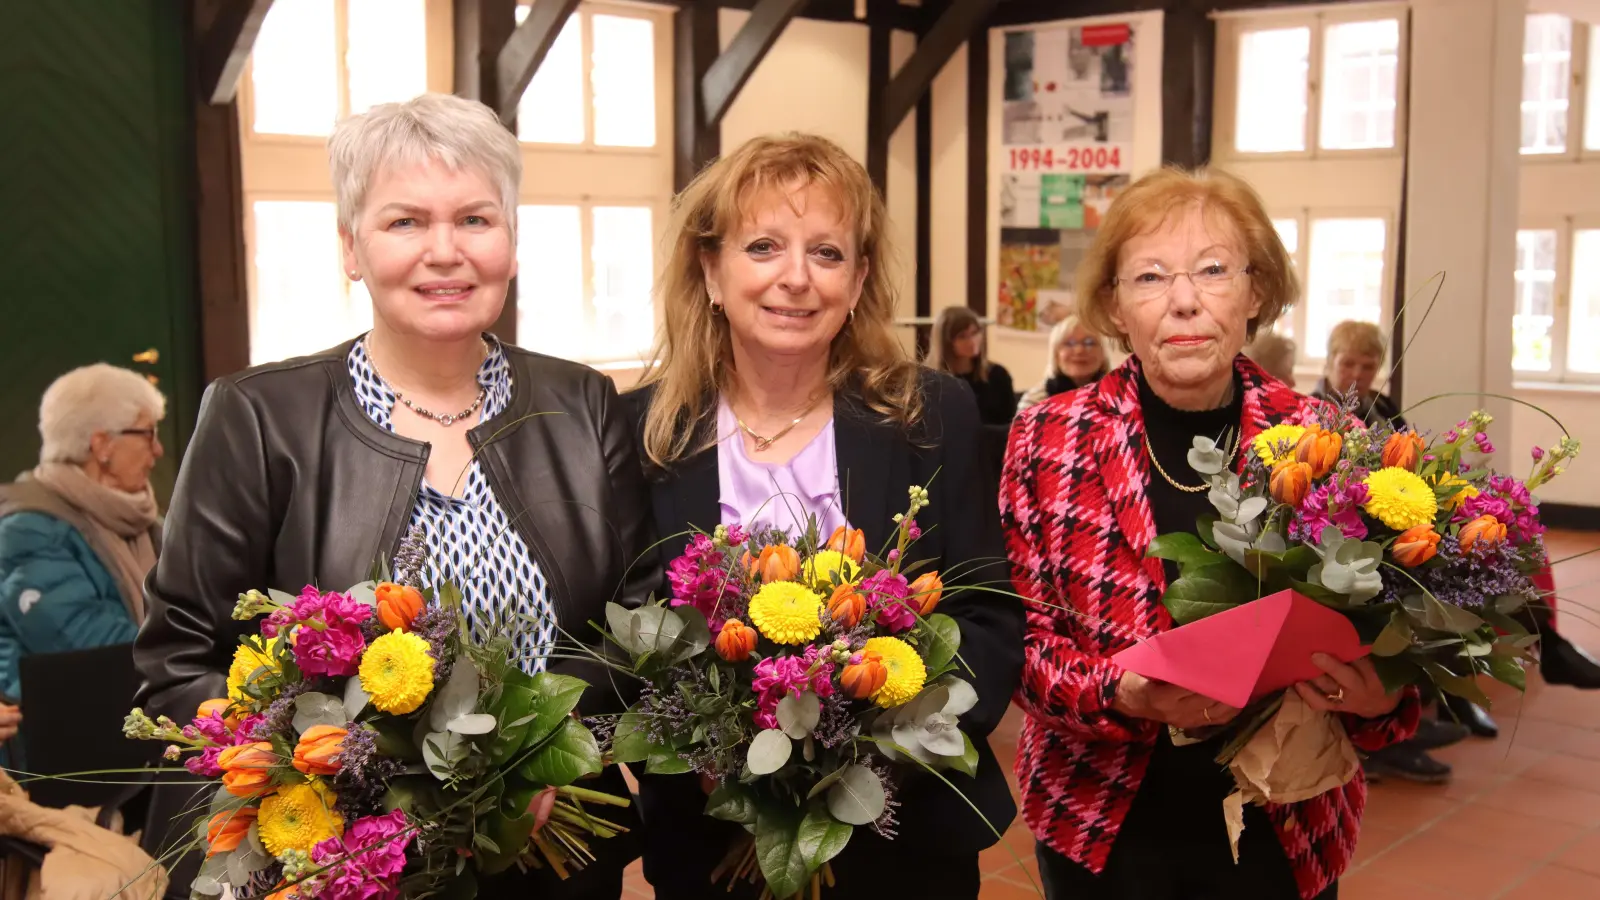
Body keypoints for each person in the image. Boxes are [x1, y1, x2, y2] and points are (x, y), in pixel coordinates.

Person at [133, 94, 656, 900]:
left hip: (552, 859)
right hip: (340, 869)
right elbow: (179, 662)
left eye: (476, 220)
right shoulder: (260, 416)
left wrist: (525, 756)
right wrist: (353, 777)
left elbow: (637, 623)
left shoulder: (584, 404)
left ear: (511, 242)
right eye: (405, 222)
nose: (444, 253)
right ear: (351, 247)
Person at [1002, 167, 1421, 900]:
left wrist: (1381, 697)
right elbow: (1022, 648)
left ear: (1256, 294)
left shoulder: (1328, 439)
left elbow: (1395, 645)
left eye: (1214, 270)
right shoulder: (1049, 436)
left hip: (1286, 822)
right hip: (1099, 820)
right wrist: (1120, 692)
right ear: (1113, 305)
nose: (1186, 299)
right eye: (1152, 276)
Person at [625, 133, 1025, 899]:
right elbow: (630, 632)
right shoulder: (643, 432)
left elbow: (987, 615)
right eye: (765, 246)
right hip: (713, 843)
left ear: (860, 276)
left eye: (828, 253)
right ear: (711, 271)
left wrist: (862, 752)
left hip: (902, 834)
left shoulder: (930, 413)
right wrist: (719, 754)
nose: (796, 280)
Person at [1315, 321, 1600, 697]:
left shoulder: (1380, 404)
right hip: (1365, 523)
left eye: (1368, 366)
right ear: (1328, 361)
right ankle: (1457, 680)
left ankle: (1545, 642)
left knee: (1510, 530)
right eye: (1348, 363)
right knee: (1467, 557)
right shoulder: (1318, 412)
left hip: (1407, 504)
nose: (1357, 374)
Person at [0, 364, 166, 767]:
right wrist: (193, 655)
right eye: (147, 433)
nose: (157, 451)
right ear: (101, 444)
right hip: (57, 751)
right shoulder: (29, 527)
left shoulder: (147, 523)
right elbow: (89, 641)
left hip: (127, 723)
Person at [929, 306, 1016, 426]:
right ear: (946, 342)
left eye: (975, 333)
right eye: (962, 336)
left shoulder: (997, 375)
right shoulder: (930, 381)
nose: (972, 341)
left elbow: (1010, 426)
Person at [1018, 314, 1110, 412]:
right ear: (1056, 355)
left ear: (1103, 353)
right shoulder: (1035, 400)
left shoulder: (1123, 396)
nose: (1079, 350)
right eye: (1069, 343)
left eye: (1089, 343)